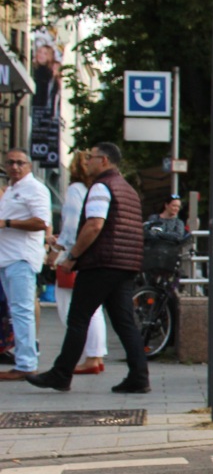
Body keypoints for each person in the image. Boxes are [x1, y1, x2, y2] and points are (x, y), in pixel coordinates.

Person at [27, 142, 152, 393]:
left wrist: (73, 255)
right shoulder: (127, 189)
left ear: (104, 161)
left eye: (92, 158)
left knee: (78, 318)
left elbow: (94, 225)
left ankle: (61, 374)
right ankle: (139, 376)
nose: (87, 162)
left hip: (101, 263)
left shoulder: (101, 187)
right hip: (125, 264)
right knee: (124, 322)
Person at [45, 150, 108, 375]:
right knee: (94, 309)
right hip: (95, 255)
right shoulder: (97, 190)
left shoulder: (75, 190)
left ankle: (88, 357)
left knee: (71, 309)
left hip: (75, 255)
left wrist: (58, 251)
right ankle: (96, 355)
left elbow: (72, 226)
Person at [0, 149, 52, 381]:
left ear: (29, 166)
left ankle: (26, 364)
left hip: (21, 258)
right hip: (7, 257)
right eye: (10, 163)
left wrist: (7, 222)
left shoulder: (35, 188)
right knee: (17, 311)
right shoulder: (12, 189)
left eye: (20, 163)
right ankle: (23, 360)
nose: (15, 167)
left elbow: (42, 222)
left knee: (22, 311)